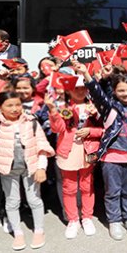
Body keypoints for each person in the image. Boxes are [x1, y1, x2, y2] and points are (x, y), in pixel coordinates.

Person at [74, 60, 127, 241]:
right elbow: (96, 93)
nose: (125, 93)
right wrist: (87, 74)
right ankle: (115, 221)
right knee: (112, 191)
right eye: (121, 90)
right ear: (115, 92)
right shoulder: (110, 108)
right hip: (112, 158)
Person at [0, 92, 55, 250]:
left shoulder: (31, 121)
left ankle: (39, 230)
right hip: (7, 169)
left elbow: (42, 145)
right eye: (9, 105)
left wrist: (41, 167)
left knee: (34, 200)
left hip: (31, 168)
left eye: (18, 104)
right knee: (12, 201)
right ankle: (18, 233)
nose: (15, 109)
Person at [45, 78, 101, 239]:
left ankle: (87, 218)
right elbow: (58, 128)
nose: (80, 90)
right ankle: (73, 220)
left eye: (83, 87)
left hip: (88, 151)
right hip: (68, 151)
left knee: (87, 186)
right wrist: (52, 110)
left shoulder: (94, 106)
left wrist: (90, 131)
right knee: (69, 188)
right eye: (76, 88)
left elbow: (104, 130)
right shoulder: (64, 107)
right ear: (69, 90)